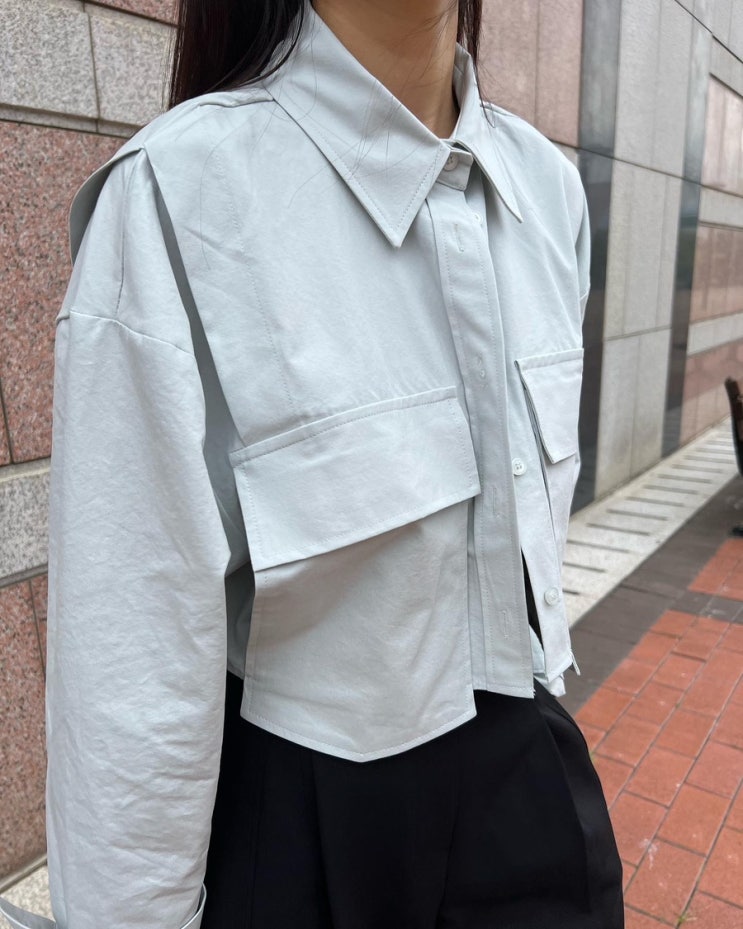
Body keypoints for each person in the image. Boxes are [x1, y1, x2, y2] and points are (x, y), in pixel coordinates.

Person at [0, 0, 624, 927]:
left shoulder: (546, 190)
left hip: (531, 800)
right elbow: (132, 674)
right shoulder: (180, 190)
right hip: (309, 834)